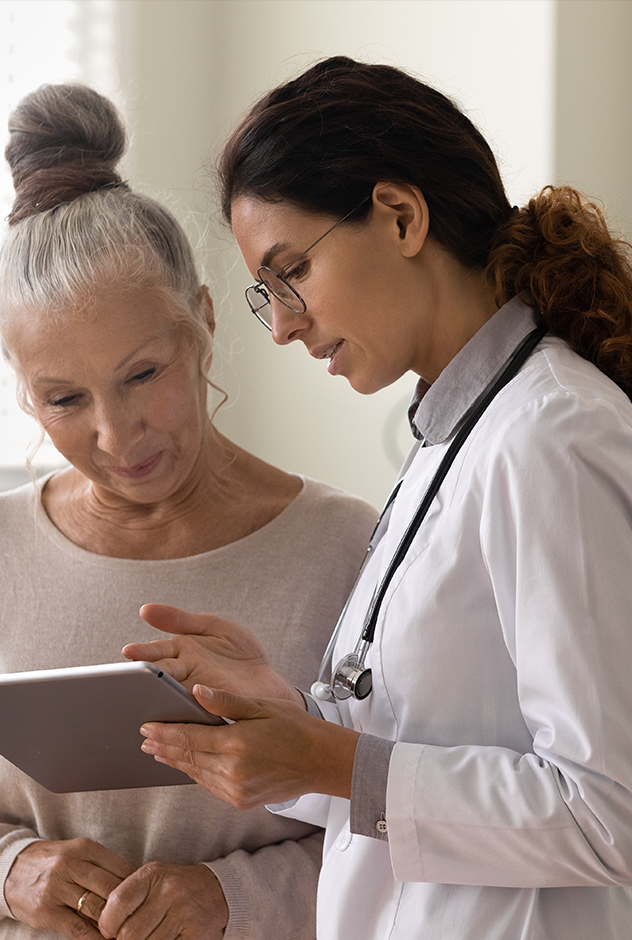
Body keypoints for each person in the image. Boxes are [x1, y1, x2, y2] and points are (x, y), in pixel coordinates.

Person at [128, 56, 632, 939]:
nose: (282, 325)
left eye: (292, 274)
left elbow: (609, 816)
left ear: (400, 217)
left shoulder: (552, 436)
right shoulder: (452, 440)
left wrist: (337, 760)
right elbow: (428, 760)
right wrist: (291, 725)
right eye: (265, 294)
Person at [0, 83, 379, 940]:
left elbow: (397, 816)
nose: (119, 435)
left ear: (204, 322)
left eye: (142, 374)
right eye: (64, 399)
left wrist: (234, 898)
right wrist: (9, 872)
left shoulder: (349, 548)